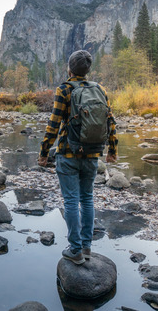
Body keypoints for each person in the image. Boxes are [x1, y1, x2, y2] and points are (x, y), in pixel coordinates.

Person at [38, 50, 117, 265]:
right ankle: (87, 247)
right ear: (88, 70)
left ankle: (75, 250)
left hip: (68, 153)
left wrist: (44, 153)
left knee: (71, 201)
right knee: (87, 198)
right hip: (92, 154)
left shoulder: (64, 89)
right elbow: (110, 121)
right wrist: (112, 151)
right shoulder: (100, 89)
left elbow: (53, 124)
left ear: (70, 68)